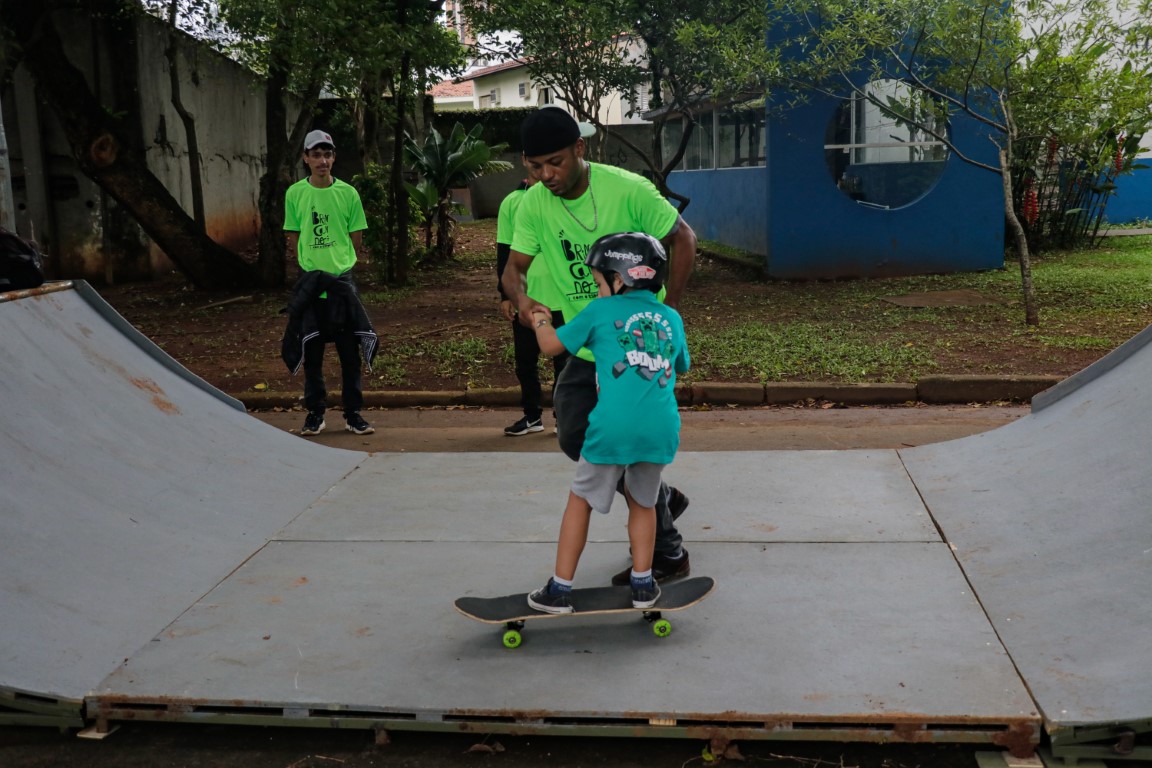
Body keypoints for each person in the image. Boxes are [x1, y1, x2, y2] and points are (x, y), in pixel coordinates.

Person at [501, 107, 698, 586]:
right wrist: (523, 301)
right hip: (585, 348)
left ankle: (668, 553)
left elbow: (684, 239)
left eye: (555, 162)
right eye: (534, 167)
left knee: (620, 445)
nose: (546, 175)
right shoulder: (533, 204)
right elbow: (514, 269)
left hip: (634, 354)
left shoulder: (627, 189)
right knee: (575, 437)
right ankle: (660, 493)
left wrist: (664, 309)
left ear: (579, 150)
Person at [526, 232, 691, 613]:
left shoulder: (600, 312)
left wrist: (539, 320)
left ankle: (559, 590)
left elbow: (551, 346)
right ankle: (643, 584)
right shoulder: (670, 317)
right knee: (643, 502)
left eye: (600, 283)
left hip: (612, 429)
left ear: (620, 279)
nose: (599, 290)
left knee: (580, 500)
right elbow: (680, 364)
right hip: (661, 429)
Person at [281, 129, 377, 438]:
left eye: (327, 154)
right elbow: (293, 235)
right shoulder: (295, 193)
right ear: (306, 158)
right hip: (311, 283)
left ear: (333, 158)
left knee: (350, 354)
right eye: (316, 154)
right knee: (312, 351)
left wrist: (338, 264)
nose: (323, 160)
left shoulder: (348, 193)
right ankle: (315, 414)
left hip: (341, 282)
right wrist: (310, 265)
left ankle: (353, 414)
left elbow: (356, 238)